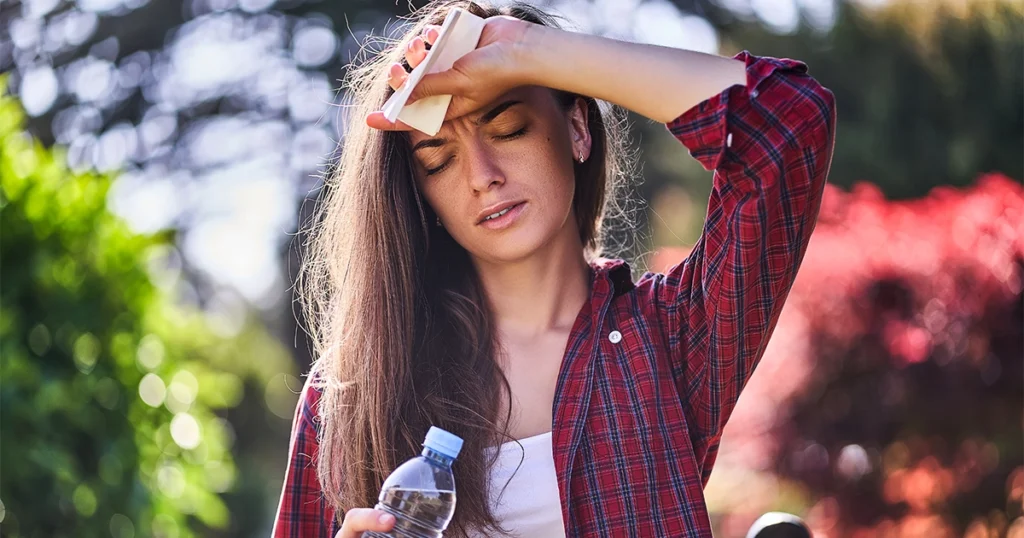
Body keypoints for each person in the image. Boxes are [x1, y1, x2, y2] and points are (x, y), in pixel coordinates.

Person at [274, 0, 836, 536]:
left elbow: (789, 125)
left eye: (509, 129)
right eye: (439, 159)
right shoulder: (352, 389)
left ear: (578, 130)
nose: (481, 174)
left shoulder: (669, 337)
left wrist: (528, 49)